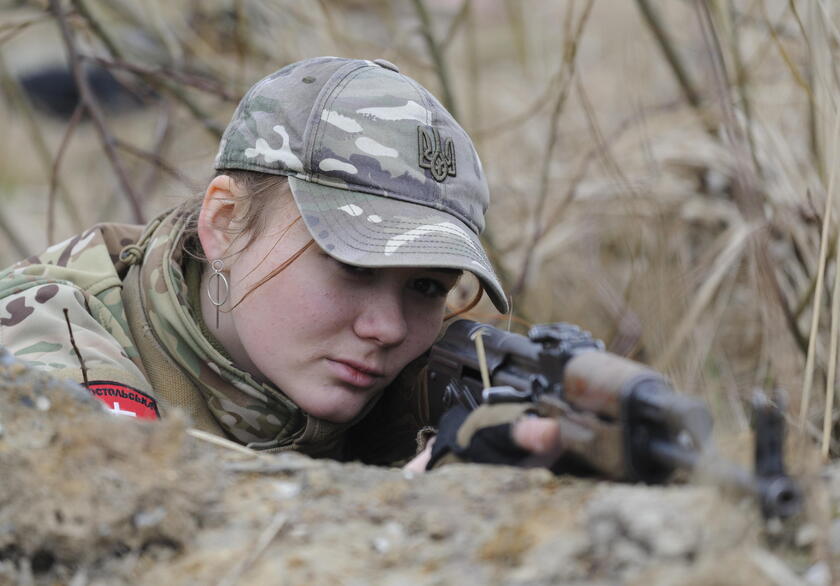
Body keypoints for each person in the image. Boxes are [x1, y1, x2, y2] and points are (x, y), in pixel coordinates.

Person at [0, 56, 562, 468]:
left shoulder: (424, 378)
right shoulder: (43, 355)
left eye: (425, 286)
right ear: (223, 223)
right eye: (352, 267)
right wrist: (408, 509)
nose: (387, 328)